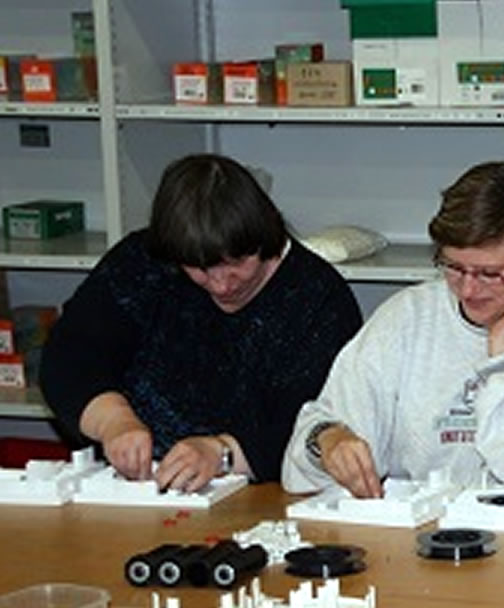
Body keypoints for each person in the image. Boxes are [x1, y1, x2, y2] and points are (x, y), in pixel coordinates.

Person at [282, 161, 504, 498]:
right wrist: (327, 440)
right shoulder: (407, 316)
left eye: (489, 273)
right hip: (415, 531)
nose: (468, 290)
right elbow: (300, 463)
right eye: (453, 267)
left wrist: (502, 353)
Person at [40, 153, 362, 491]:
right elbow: (69, 358)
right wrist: (114, 422)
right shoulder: (143, 264)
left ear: (264, 234)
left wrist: (221, 452)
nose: (222, 284)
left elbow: (315, 427)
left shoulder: (318, 298)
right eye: (199, 268)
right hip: (138, 490)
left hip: (262, 496)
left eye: (237, 262)